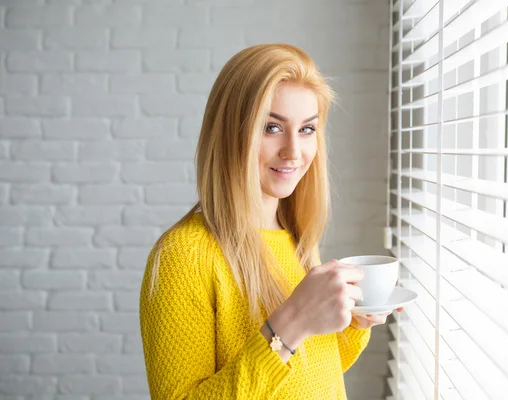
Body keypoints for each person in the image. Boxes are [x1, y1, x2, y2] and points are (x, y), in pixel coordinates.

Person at [139, 43, 403, 399]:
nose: (294, 151)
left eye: (307, 129)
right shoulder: (184, 256)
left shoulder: (293, 237)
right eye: (272, 128)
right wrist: (290, 323)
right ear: (232, 132)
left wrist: (356, 322)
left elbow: (304, 378)